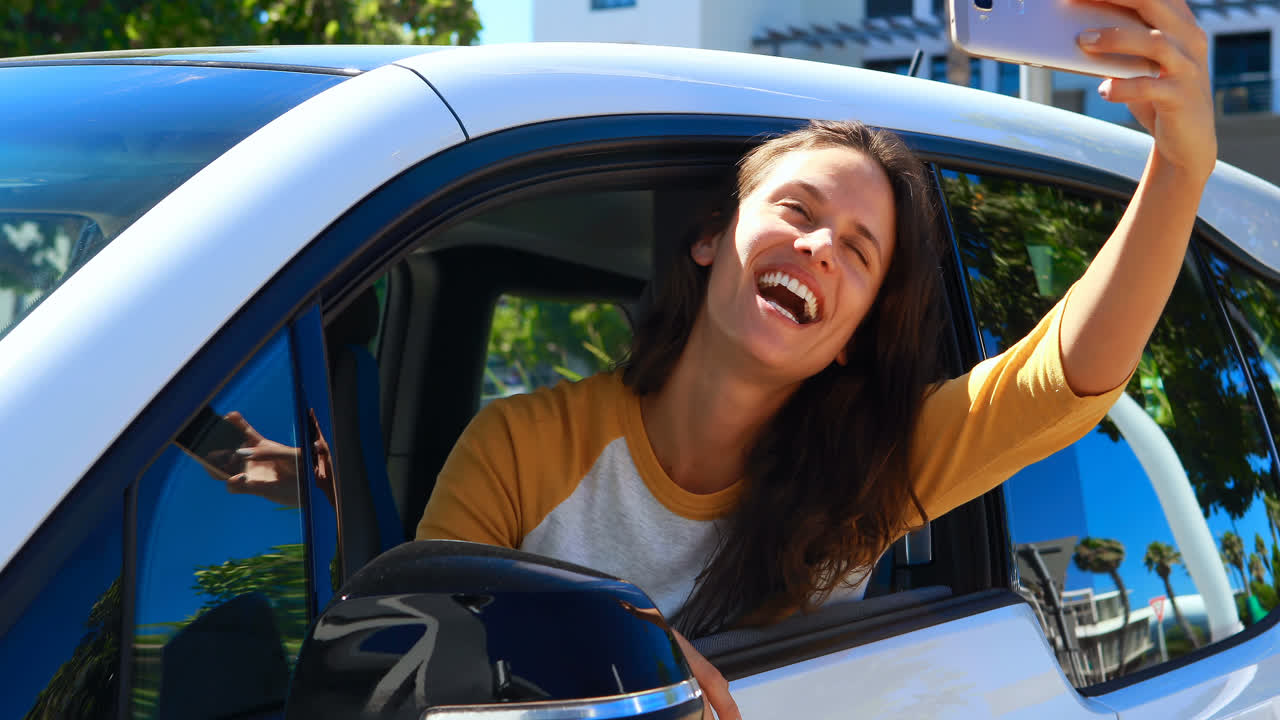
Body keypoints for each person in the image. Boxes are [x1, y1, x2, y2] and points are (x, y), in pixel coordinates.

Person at [420, 3, 1213, 716]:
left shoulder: (869, 474)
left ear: (850, 343)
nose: (820, 246)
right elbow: (435, 657)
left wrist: (1180, 171)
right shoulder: (516, 447)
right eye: (797, 208)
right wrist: (632, 647)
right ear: (708, 239)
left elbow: (1060, 379)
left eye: (859, 252)